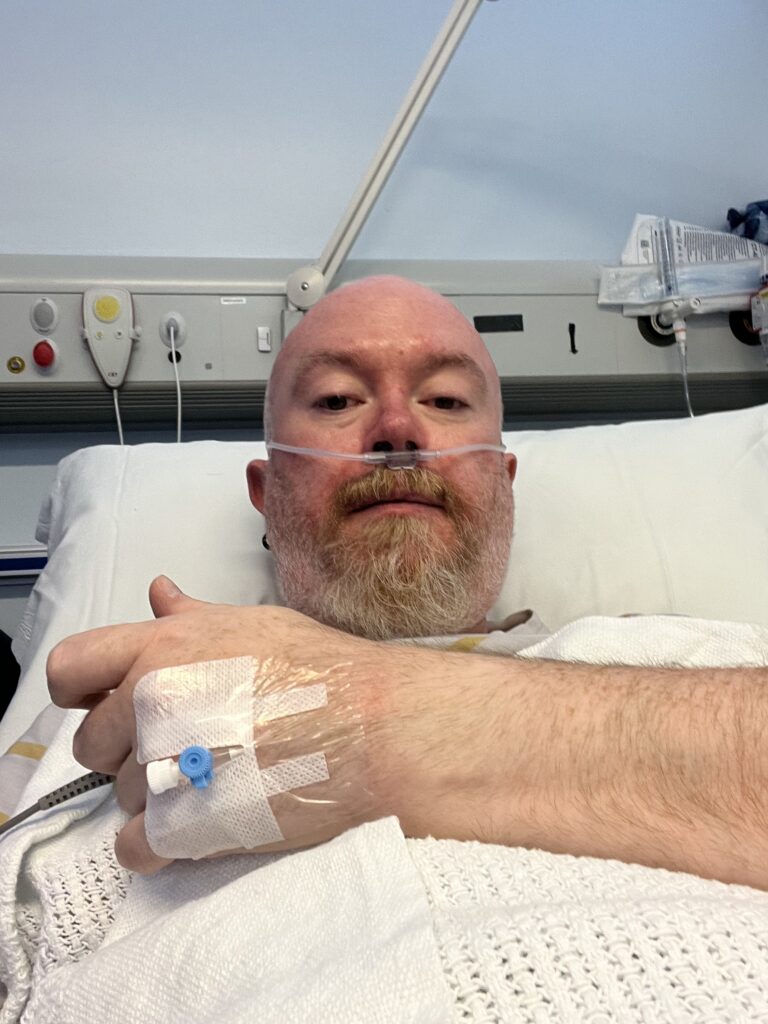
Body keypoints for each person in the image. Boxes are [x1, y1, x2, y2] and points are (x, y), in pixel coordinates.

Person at [48, 276, 768, 888]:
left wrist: (366, 719)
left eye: (445, 401)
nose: (397, 429)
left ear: (504, 485)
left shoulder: (686, 660)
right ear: (267, 494)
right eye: (337, 400)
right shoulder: (160, 710)